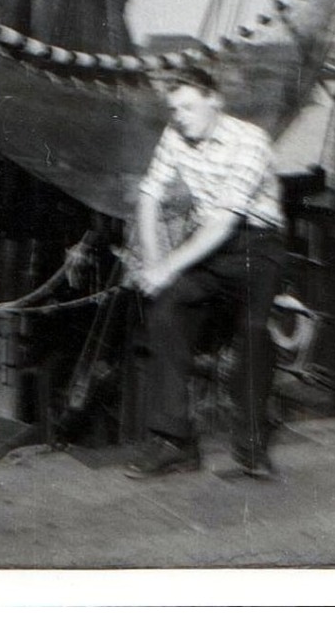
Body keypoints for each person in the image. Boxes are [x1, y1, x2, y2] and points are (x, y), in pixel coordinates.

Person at [125, 66, 286, 479]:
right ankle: (175, 442)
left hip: (255, 244)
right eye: (174, 108)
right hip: (207, 245)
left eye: (189, 107)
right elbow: (148, 197)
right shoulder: (175, 134)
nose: (180, 116)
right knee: (166, 311)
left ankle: (251, 445)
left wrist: (167, 267)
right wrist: (154, 260)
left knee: (252, 332)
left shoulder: (250, 141)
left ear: (215, 100)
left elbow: (224, 222)